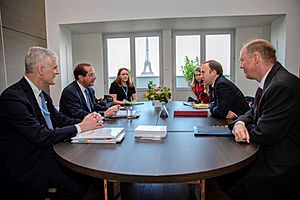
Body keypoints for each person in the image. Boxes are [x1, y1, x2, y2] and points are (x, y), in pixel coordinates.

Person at [0, 46, 103, 200]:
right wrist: (81, 126)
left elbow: (60, 120)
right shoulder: (12, 98)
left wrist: (89, 121)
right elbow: (40, 135)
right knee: (77, 183)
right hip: (27, 163)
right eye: (55, 67)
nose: (57, 71)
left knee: (86, 173)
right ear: (41, 69)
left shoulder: (43, 96)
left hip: (47, 153)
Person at [218, 39, 300, 200]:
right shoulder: (272, 81)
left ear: (256, 58)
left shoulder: (281, 86)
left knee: (228, 181)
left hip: (282, 163)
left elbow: (264, 133)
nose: (241, 66)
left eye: (242, 61)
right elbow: (252, 112)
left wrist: (239, 129)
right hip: (272, 152)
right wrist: (240, 123)